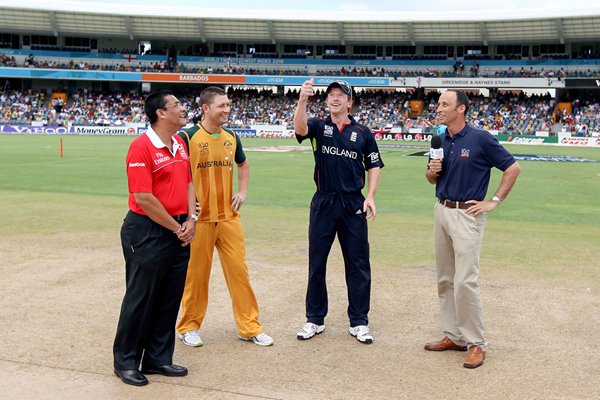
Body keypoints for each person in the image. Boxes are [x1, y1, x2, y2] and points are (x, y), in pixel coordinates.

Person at [425, 89, 521, 369]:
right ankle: (454, 335)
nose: (439, 108)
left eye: (445, 104)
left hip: (467, 215)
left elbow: (513, 168)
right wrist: (432, 171)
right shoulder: (439, 138)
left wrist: (494, 200)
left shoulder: (481, 139)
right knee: (445, 279)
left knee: (465, 281)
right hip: (441, 210)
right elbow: (431, 178)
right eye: (439, 103)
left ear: (461, 109)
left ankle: (476, 342)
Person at [176, 86, 273, 347]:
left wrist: (242, 191)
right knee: (196, 276)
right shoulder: (187, 136)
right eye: (222, 106)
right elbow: (176, 172)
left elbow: (244, 164)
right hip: (199, 220)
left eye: (228, 105)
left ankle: (249, 327)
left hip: (229, 218)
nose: (227, 109)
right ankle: (188, 327)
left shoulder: (231, 136)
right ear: (206, 108)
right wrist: (185, 208)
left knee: (239, 273)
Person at [113, 90, 196, 386]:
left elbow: (188, 182)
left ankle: (158, 358)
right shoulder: (141, 147)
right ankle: (126, 361)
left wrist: (190, 219)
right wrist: (177, 228)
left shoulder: (179, 142)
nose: (183, 109)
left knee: (169, 297)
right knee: (141, 297)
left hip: (179, 227)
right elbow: (144, 198)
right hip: (147, 230)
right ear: (161, 113)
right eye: (176, 105)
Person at [293, 79, 384, 344]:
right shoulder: (319, 127)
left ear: (349, 101)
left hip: (353, 203)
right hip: (323, 202)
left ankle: (359, 322)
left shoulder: (363, 132)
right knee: (317, 262)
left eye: (340, 95)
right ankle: (314, 319)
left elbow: (374, 166)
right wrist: (302, 100)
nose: (335, 98)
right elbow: (299, 128)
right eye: (331, 95)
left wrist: (372, 196)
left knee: (357, 264)